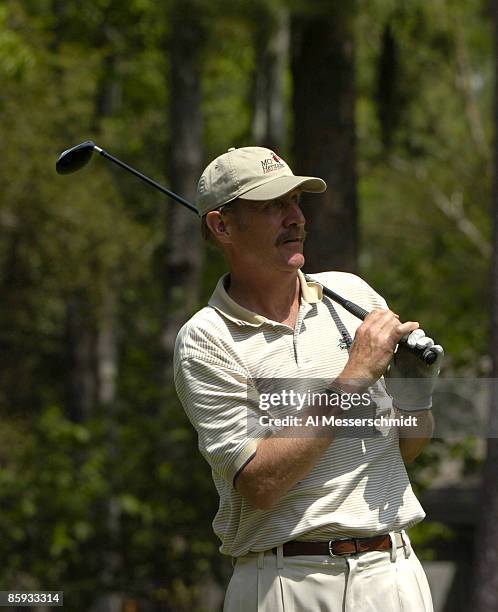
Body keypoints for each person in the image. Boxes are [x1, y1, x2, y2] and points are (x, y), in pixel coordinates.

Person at [174, 146, 444, 612]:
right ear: (221, 227)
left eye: (296, 201)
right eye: (273, 206)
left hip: (391, 573)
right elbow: (260, 483)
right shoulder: (205, 338)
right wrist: (352, 379)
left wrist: (414, 393)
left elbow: (404, 450)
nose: (295, 217)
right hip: (284, 582)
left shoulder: (352, 294)